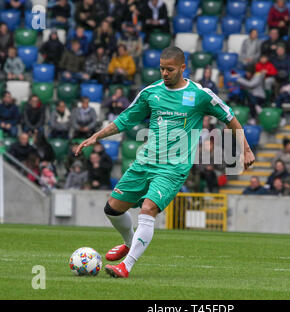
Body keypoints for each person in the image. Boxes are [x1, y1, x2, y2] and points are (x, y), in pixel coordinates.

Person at [74, 46, 255, 278]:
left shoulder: (200, 95)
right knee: (112, 208)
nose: (164, 73)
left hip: (173, 168)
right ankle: (129, 242)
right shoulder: (151, 93)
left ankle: (126, 265)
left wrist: (246, 150)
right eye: (161, 69)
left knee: (148, 209)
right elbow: (124, 120)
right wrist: (95, 136)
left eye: (170, 69)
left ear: (182, 68)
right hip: (145, 162)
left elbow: (230, 119)